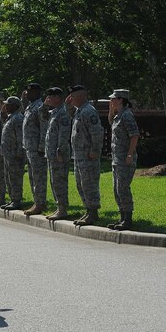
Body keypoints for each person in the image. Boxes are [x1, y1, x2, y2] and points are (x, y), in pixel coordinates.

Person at [68, 85, 104, 226]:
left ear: (82, 96)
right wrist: (67, 105)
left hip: (88, 156)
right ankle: (88, 210)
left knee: (89, 185)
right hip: (79, 156)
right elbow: (68, 112)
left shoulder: (89, 111)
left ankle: (93, 212)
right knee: (81, 184)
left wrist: (95, 150)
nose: (71, 99)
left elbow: (97, 133)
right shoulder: (79, 111)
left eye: (73, 96)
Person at [107, 89, 140, 231]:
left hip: (125, 159)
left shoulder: (126, 115)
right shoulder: (118, 115)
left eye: (113, 99)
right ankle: (122, 217)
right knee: (117, 189)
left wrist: (130, 155)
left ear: (121, 100)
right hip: (117, 159)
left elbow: (134, 135)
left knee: (123, 188)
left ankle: (128, 219)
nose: (111, 101)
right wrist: (110, 110)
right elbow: (110, 122)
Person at [44, 88, 72, 220]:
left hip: (58, 154)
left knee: (59, 182)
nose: (48, 99)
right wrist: (44, 105)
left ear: (57, 98)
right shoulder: (54, 112)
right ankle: (59, 207)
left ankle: (63, 209)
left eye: (50, 97)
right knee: (54, 182)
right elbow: (41, 116)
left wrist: (60, 151)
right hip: (51, 154)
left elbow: (64, 134)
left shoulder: (63, 113)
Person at [22, 83, 48, 216]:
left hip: (37, 149)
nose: (26, 94)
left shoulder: (39, 107)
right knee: (32, 177)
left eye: (28, 92)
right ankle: (36, 201)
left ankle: (40, 203)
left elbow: (44, 128)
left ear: (36, 92)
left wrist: (42, 147)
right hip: (29, 147)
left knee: (39, 178)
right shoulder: (30, 106)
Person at [1, 96, 25, 210]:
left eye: (8, 104)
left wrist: (19, 153)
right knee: (9, 178)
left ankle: (17, 200)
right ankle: (12, 199)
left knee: (15, 178)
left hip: (15, 155)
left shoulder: (18, 118)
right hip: (8, 154)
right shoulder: (10, 117)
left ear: (15, 106)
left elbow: (20, 138)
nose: (5, 106)